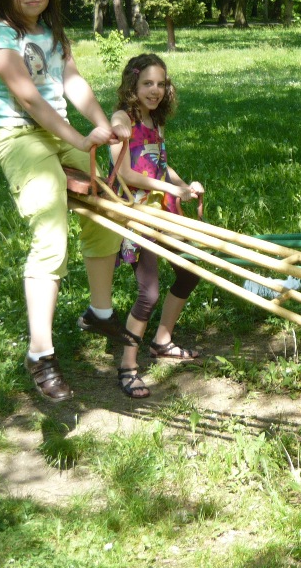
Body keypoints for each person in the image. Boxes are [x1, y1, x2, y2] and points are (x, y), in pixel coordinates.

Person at [0, 0, 137, 402]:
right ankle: (40, 353)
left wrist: (103, 125)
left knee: (108, 208)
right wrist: (79, 138)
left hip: (60, 132)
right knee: (50, 229)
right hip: (19, 135)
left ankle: (99, 313)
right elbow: (29, 99)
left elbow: (74, 84)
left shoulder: (53, 35)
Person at [109, 53, 204, 398]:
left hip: (164, 210)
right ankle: (128, 366)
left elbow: (161, 165)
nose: (155, 90)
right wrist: (169, 188)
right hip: (137, 213)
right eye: (147, 83)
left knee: (189, 272)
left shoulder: (155, 121)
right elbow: (125, 173)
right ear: (132, 84)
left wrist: (184, 186)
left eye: (161, 84)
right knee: (147, 293)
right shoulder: (123, 119)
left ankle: (162, 341)